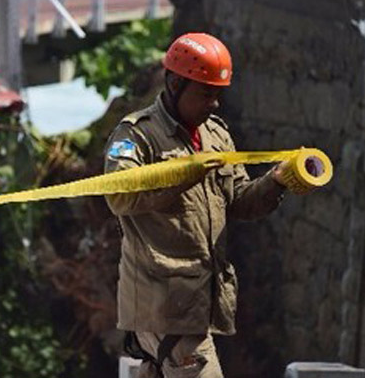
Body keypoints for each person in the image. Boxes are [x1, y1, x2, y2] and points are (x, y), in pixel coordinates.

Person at [104, 33, 295, 378]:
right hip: (162, 302)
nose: (215, 104)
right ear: (175, 83)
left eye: (219, 93)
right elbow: (119, 195)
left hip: (198, 302)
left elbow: (238, 200)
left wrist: (277, 181)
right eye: (206, 93)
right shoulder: (135, 135)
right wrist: (184, 175)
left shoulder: (216, 134)